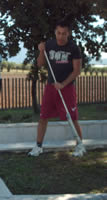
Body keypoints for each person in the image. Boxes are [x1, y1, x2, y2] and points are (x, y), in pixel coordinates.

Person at [28, 19, 85, 157]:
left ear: (68, 33)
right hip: (51, 87)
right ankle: (38, 146)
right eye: (58, 33)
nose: (61, 36)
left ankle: (80, 146)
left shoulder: (73, 48)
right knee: (43, 117)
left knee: (72, 118)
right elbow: (40, 64)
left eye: (64, 34)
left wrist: (63, 84)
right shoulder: (50, 44)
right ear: (55, 32)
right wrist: (41, 51)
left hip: (67, 88)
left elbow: (77, 71)